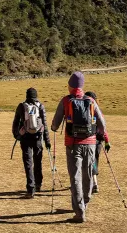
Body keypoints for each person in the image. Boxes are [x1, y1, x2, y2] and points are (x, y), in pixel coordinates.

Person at [51, 71, 106, 223]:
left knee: (75, 177)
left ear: (70, 86)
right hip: (90, 144)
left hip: (73, 144)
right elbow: (102, 123)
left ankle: (80, 211)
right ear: (82, 86)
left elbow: (55, 124)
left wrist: (54, 127)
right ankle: (86, 201)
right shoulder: (90, 100)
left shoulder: (66, 101)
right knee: (87, 174)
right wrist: (101, 136)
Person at [12, 87, 51, 198]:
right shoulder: (41, 106)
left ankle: (30, 189)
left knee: (28, 163)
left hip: (25, 138)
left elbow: (16, 122)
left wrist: (17, 135)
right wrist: (47, 141)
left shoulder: (21, 106)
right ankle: (38, 184)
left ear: (27, 95)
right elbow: (45, 125)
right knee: (38, 160)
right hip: (38, 137)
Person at [84, 91, 111, 193]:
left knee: (88, 162)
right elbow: (103, 128)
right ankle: (93, 182)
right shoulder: (98, 111)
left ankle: (93, 183)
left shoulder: (84, 111)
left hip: (87, 140)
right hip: (98, 141)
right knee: (94, 160)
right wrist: (107, 141)